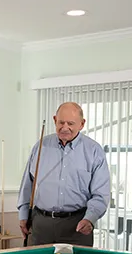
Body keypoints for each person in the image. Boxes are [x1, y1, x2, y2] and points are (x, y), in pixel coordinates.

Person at [17, 101, 111, 246]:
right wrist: (23, 215)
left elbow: (101, 194)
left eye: (70, 123)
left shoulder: (94, 151)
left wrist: (90, 219)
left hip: (77, 226)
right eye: (61, 122)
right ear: (55, 120)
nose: (65, 127)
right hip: (41, 225)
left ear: (82, 124)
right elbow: (27, 185)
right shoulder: (41, 146)